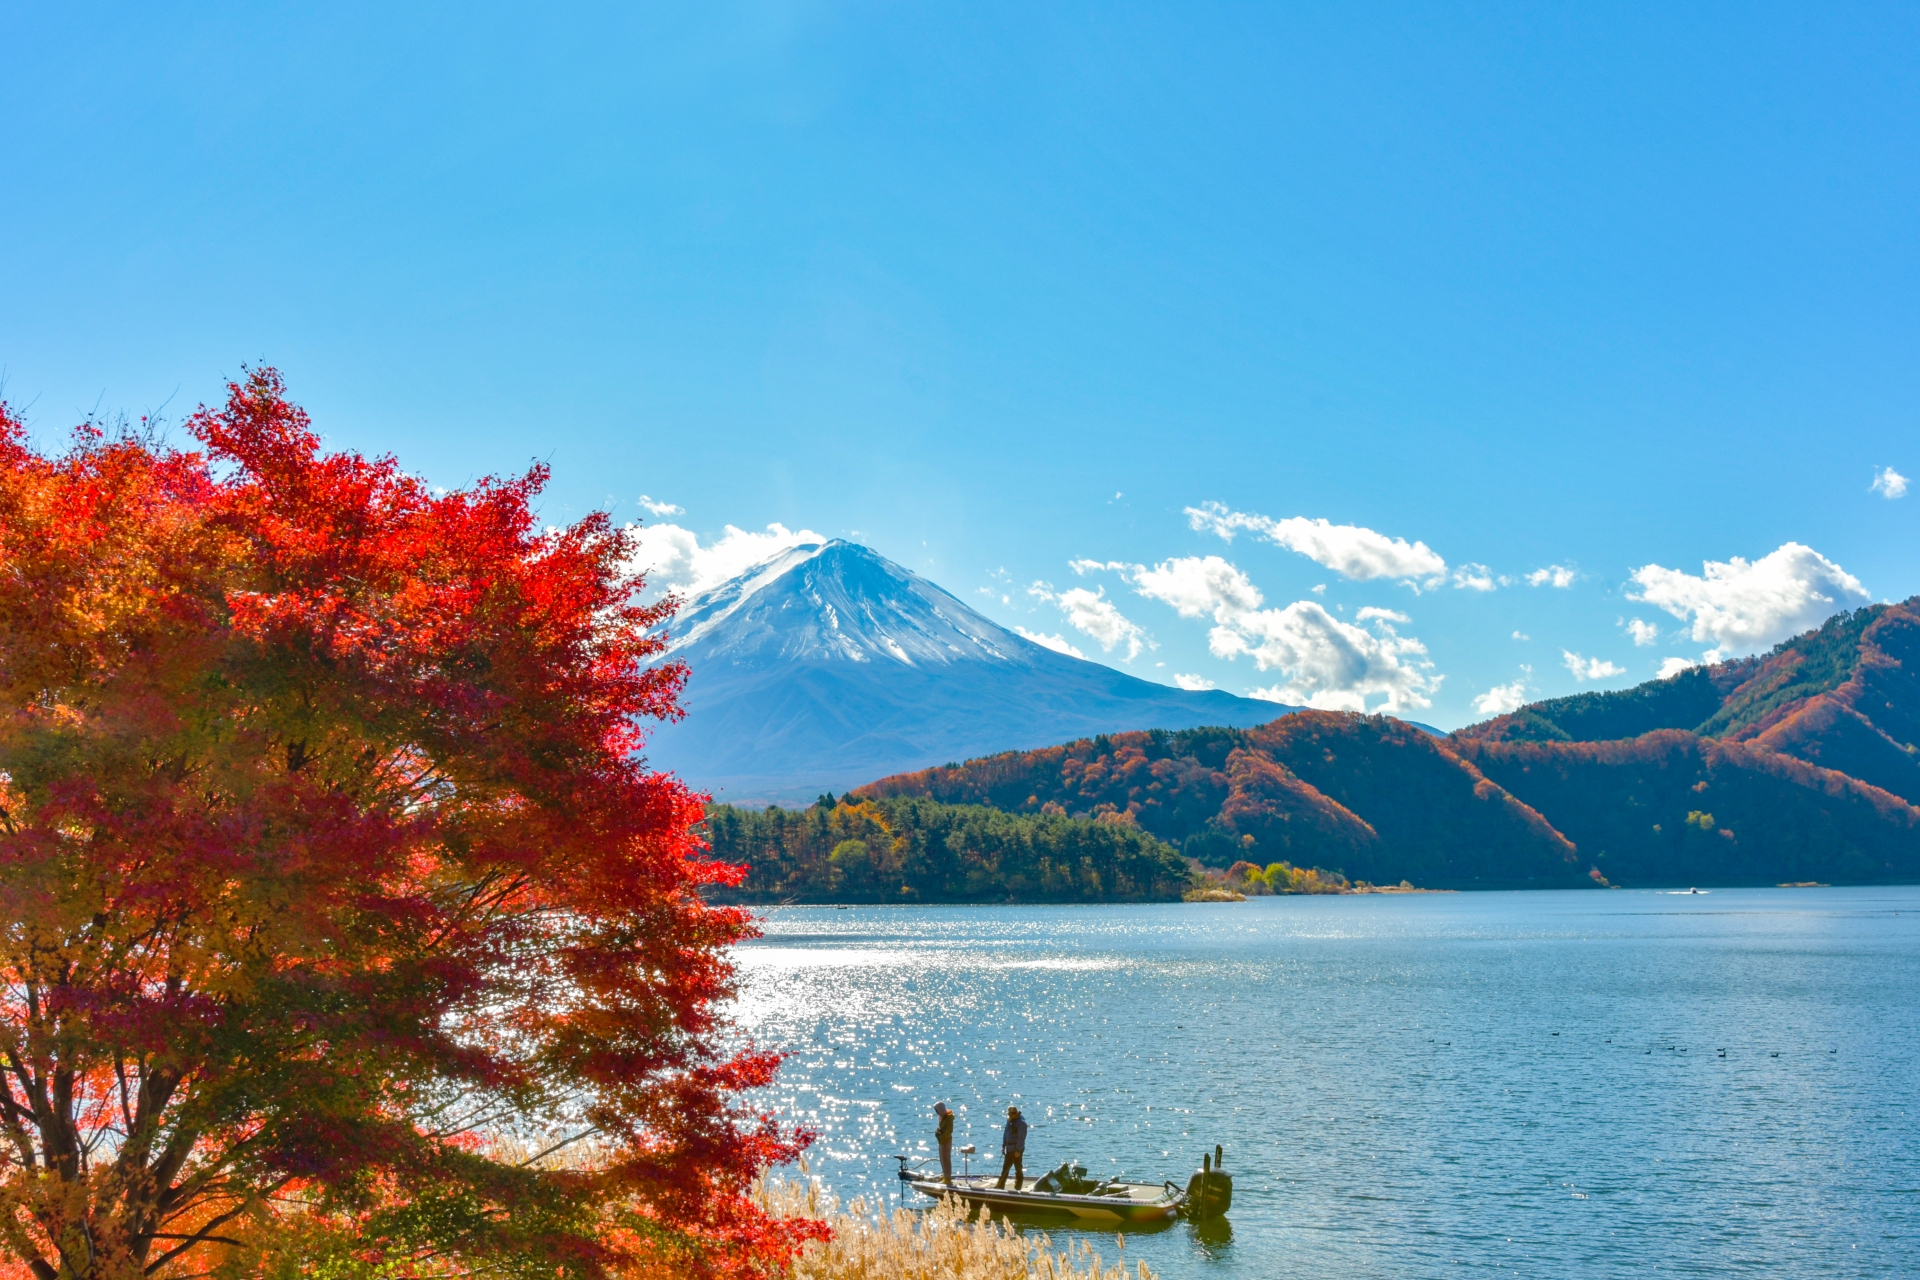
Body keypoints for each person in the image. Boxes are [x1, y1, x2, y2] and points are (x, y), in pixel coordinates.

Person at [995, 1105, 1028, 1190]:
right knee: (1005, 1169)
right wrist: (1003, 1146)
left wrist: (1018, 1150)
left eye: (1010, 1114)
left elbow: (1021, 1138)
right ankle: (1000, 1186)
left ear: (1015, 1114)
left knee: (1018, 1169)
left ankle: (1018, 1187)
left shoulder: (1021, 1123)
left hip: (1016, 1150)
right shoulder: (1009, 1121)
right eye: (1008, 1114)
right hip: (1009, 1149)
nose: (1009, 1116)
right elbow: (1005, 1134)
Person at [934, 1102, 955, 1182]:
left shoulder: (948, 1119)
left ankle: (947, 1178)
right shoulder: (942, 1117)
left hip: (946, 1141)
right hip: (941, 1141)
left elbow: (948, 1131)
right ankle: (945, 1175)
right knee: (942, 1158)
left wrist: (941, 1136)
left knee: (946, 1159)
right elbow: (940, 1128)